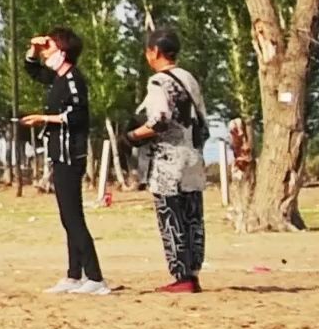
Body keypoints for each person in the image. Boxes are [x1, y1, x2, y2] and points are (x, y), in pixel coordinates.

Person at [21, 27, 109, 295]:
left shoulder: (73, 79)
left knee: (73, 217)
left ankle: (95, 276)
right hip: (58, 153)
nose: (46, 51)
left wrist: (42, 119)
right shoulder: (58, 78)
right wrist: (33, 50)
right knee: (67, 216)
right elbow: (33, 70)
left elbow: (77, 116)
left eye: (49, 47)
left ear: (63, 51)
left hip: (71, 154)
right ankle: (74, 274)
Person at [125, 26, 208, 292]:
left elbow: (159, 120)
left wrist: (132, 136)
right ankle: (193, 273)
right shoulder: (189, 78)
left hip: (169, 163)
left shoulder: (159, 81)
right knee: (193, 218)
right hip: (193, 158)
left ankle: (181, 276)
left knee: (171, 217)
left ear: (155, 52)